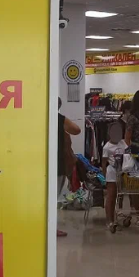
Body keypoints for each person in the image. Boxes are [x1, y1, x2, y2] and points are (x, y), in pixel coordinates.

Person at [57, 97, 81, 237]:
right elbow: (77, 130)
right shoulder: (59, 119)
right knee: (53, 197)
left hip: (38, 163)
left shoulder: (36, 118)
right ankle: (51, 228)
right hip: (57, 162)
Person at [101, 120, 127, 232]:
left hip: (122, 173)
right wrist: (104, 177)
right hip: (111, 173)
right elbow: (103, 163)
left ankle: (116, 218)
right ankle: (109, 220)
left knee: (119, 196)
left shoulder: (123, 143)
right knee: (111, 197)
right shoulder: (107, 147)